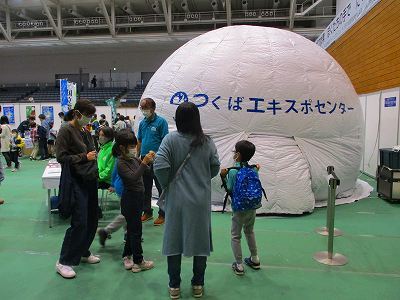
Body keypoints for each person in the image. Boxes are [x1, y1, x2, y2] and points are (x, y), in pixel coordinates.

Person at [154, 102, 220, 299]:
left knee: (173, 243)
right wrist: (200, 178)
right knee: (200, 244)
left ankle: (174, 286)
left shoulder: (170, 139)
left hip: (176, 200)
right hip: (200, 201)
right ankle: (198, 284)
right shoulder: (206, 141)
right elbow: (215, 167)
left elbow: (160, 166)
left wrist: (168, 184)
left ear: (177, 119)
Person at [55, 99, 100, 279]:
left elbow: (91, 152)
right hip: (76, 180)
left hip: (90, 179)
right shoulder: (66, 130)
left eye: (91, 116)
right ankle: (64, 261)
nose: (89, 119)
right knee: (80, 221)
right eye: (87, 116)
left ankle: (83, 251)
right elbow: (61, 157)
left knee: (92, 219)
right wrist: (84, 157)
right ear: (77, 114)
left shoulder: (84, 130)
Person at [113, 129, 155, 272]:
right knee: (136, 231)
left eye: (134, 146)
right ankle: (138, 262)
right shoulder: (120, 163)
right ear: (121, 148)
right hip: (130, 199)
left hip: (138, 198)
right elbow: (133, 178)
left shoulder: (133, 159)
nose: (134, 149)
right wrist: (143, 162)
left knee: (132, 230)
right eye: (131, 146)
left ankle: (127, 255)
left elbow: (147, 172)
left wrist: (149, 160)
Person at [220, 140, 262, 276]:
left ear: (237, 155)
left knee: (235, 236)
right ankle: (255, 259)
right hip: (252, 207)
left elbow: (230, 189)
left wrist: (223, 176)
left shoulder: (232, 172)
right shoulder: (254, 169)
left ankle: (239, 265)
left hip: (238, 208)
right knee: (250, 231)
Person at [137, 98, 169, 225]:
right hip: (144, 159)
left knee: (161, 187)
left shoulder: (161, 122)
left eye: (146, 108)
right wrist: (137, 156)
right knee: (145, 187)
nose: (144, 111)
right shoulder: (142, 123)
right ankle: (147, 212)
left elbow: (165, 141)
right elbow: (139, 140)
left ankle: (163, 213)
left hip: (158, 159)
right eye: (142, 108)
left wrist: (158, 155)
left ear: (153, 108)